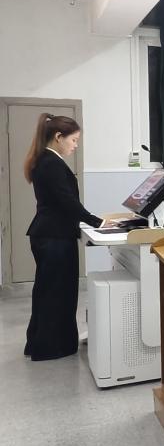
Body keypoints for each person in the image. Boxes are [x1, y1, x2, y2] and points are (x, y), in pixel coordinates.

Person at [23, 113, 106, 361]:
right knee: (57, 293)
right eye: (74, 140)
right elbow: (67, 201)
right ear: (59, 137)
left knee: (47, 291)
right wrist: (98, 222)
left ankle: (39, 343)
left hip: (49, 234)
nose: (76, 145)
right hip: (54, 237)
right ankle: (51, 347)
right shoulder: (51, 163)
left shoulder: (45, 160)